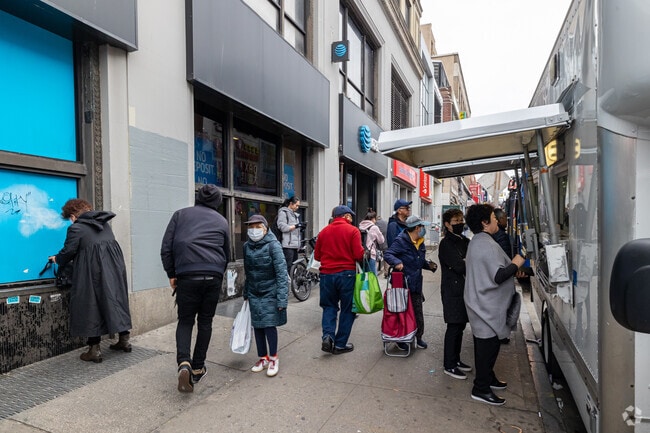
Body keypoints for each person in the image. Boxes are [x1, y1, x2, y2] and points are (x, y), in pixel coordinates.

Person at [161, 184, 230, 393]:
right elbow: (227, 252)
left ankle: (184, 362)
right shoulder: (222, 221)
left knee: (185, 321)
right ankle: (198, 367)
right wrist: (218, 273)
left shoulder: (180, 215)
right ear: (217, 202)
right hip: (212, 275)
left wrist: (172, 273)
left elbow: (166, 247)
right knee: (205, 321)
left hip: (186, 275)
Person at [48, 199, 132, 364]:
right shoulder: (104, 224)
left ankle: (94, 350)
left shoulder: (76, 228)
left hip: (92, 272)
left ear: (73, 216)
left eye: (70, 218)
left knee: (91, 304)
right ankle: (124, 340)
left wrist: (57, 259)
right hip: (114, 269)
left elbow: (69, 251)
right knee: (115, 300)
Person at [464, 203, 526, 406]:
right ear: (484, 222)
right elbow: (498, 275)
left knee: (488, 349)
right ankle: (480, 388)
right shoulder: (486, 244)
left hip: (482, 305)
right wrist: (518, 261)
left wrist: (513, 267)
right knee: (486, 350)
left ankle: (488, 379)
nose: (497, 219)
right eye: (492, 216)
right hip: (484, 308)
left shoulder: (479, 241)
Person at [314, 205, 365, 355]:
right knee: (347, 309)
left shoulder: (323, 232)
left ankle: (328, 336)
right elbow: (358, 254)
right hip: (346, 274)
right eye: (350, 216)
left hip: (326, 275)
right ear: (346, 216)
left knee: (329, 307)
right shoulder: (353, 230)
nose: (351, 219)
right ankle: (340, 344)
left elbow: (317, 256)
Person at [243, 215, 288, 378]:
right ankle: (263, 357)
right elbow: (247, 272)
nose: (253, 230)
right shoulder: (247, 246)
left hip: (271, 291)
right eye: (251, 227)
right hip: (254, 291)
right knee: (258, 326)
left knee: (269, 325)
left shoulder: (274, 246)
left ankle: (274, 358)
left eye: (257, 227)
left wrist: (282, 298)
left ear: (265, 228)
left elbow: (282, 273)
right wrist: (246, 293)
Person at [384, 215, 437, 350]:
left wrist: (428, 266)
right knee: (402, 312)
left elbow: (418, 260)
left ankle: (418, 337)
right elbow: (388, 254)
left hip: (416, 282)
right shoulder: (401, 241)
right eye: (422, 227)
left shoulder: (420, 241)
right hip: (402, 283)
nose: (423, 229)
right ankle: (401, 339)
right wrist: (397, 262)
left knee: (417, 310)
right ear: (417, 228)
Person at [438, 208, 472, 380]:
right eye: (455, 222)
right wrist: (466, 261)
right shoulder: (446, 244)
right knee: (454, 326)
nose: (459, 224)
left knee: (460, 326)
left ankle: (456, 360)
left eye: (461, 221)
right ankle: (449, 365)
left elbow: (470, 260)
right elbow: (460, 266)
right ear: (447, 224)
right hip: (452, 291)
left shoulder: (464, 240)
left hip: (464, 289)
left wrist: (467, 261)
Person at [277, 196, 304, 271]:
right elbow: (282, 227)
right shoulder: (283, 213)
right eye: (296, 205)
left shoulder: (295, 215)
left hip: (295, 245)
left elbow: (294, 230)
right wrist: (295, 226)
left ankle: (292, 281)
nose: (297, 207)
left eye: (299, 205)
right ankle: (287, 282)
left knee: (294, 267)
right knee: (288, 267)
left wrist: (301, 228)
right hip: (287, 245)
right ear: (291, 204)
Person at [358, 209, 385, 275]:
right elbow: (381, 241)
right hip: (371, 255)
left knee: (363, 277)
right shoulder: (374, 227)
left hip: (361, 254)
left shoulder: (360, 226)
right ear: (373, 219)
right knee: (372, 278)